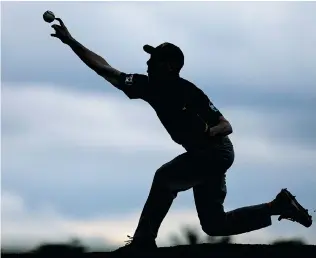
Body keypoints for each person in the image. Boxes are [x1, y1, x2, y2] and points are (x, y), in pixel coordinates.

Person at [50, 18, 313, 253]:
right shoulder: (147, 85)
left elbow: (226, 125)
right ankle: (278, 206)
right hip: (202, 156)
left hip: (216, 152)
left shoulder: (188, 91)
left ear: (169, 66)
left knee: (164, 177)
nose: (148, 61)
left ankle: (143, 241)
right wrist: (71, 42)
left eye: (154, 58)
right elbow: (105, 69)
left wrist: (210, 130)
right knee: (214, 224)